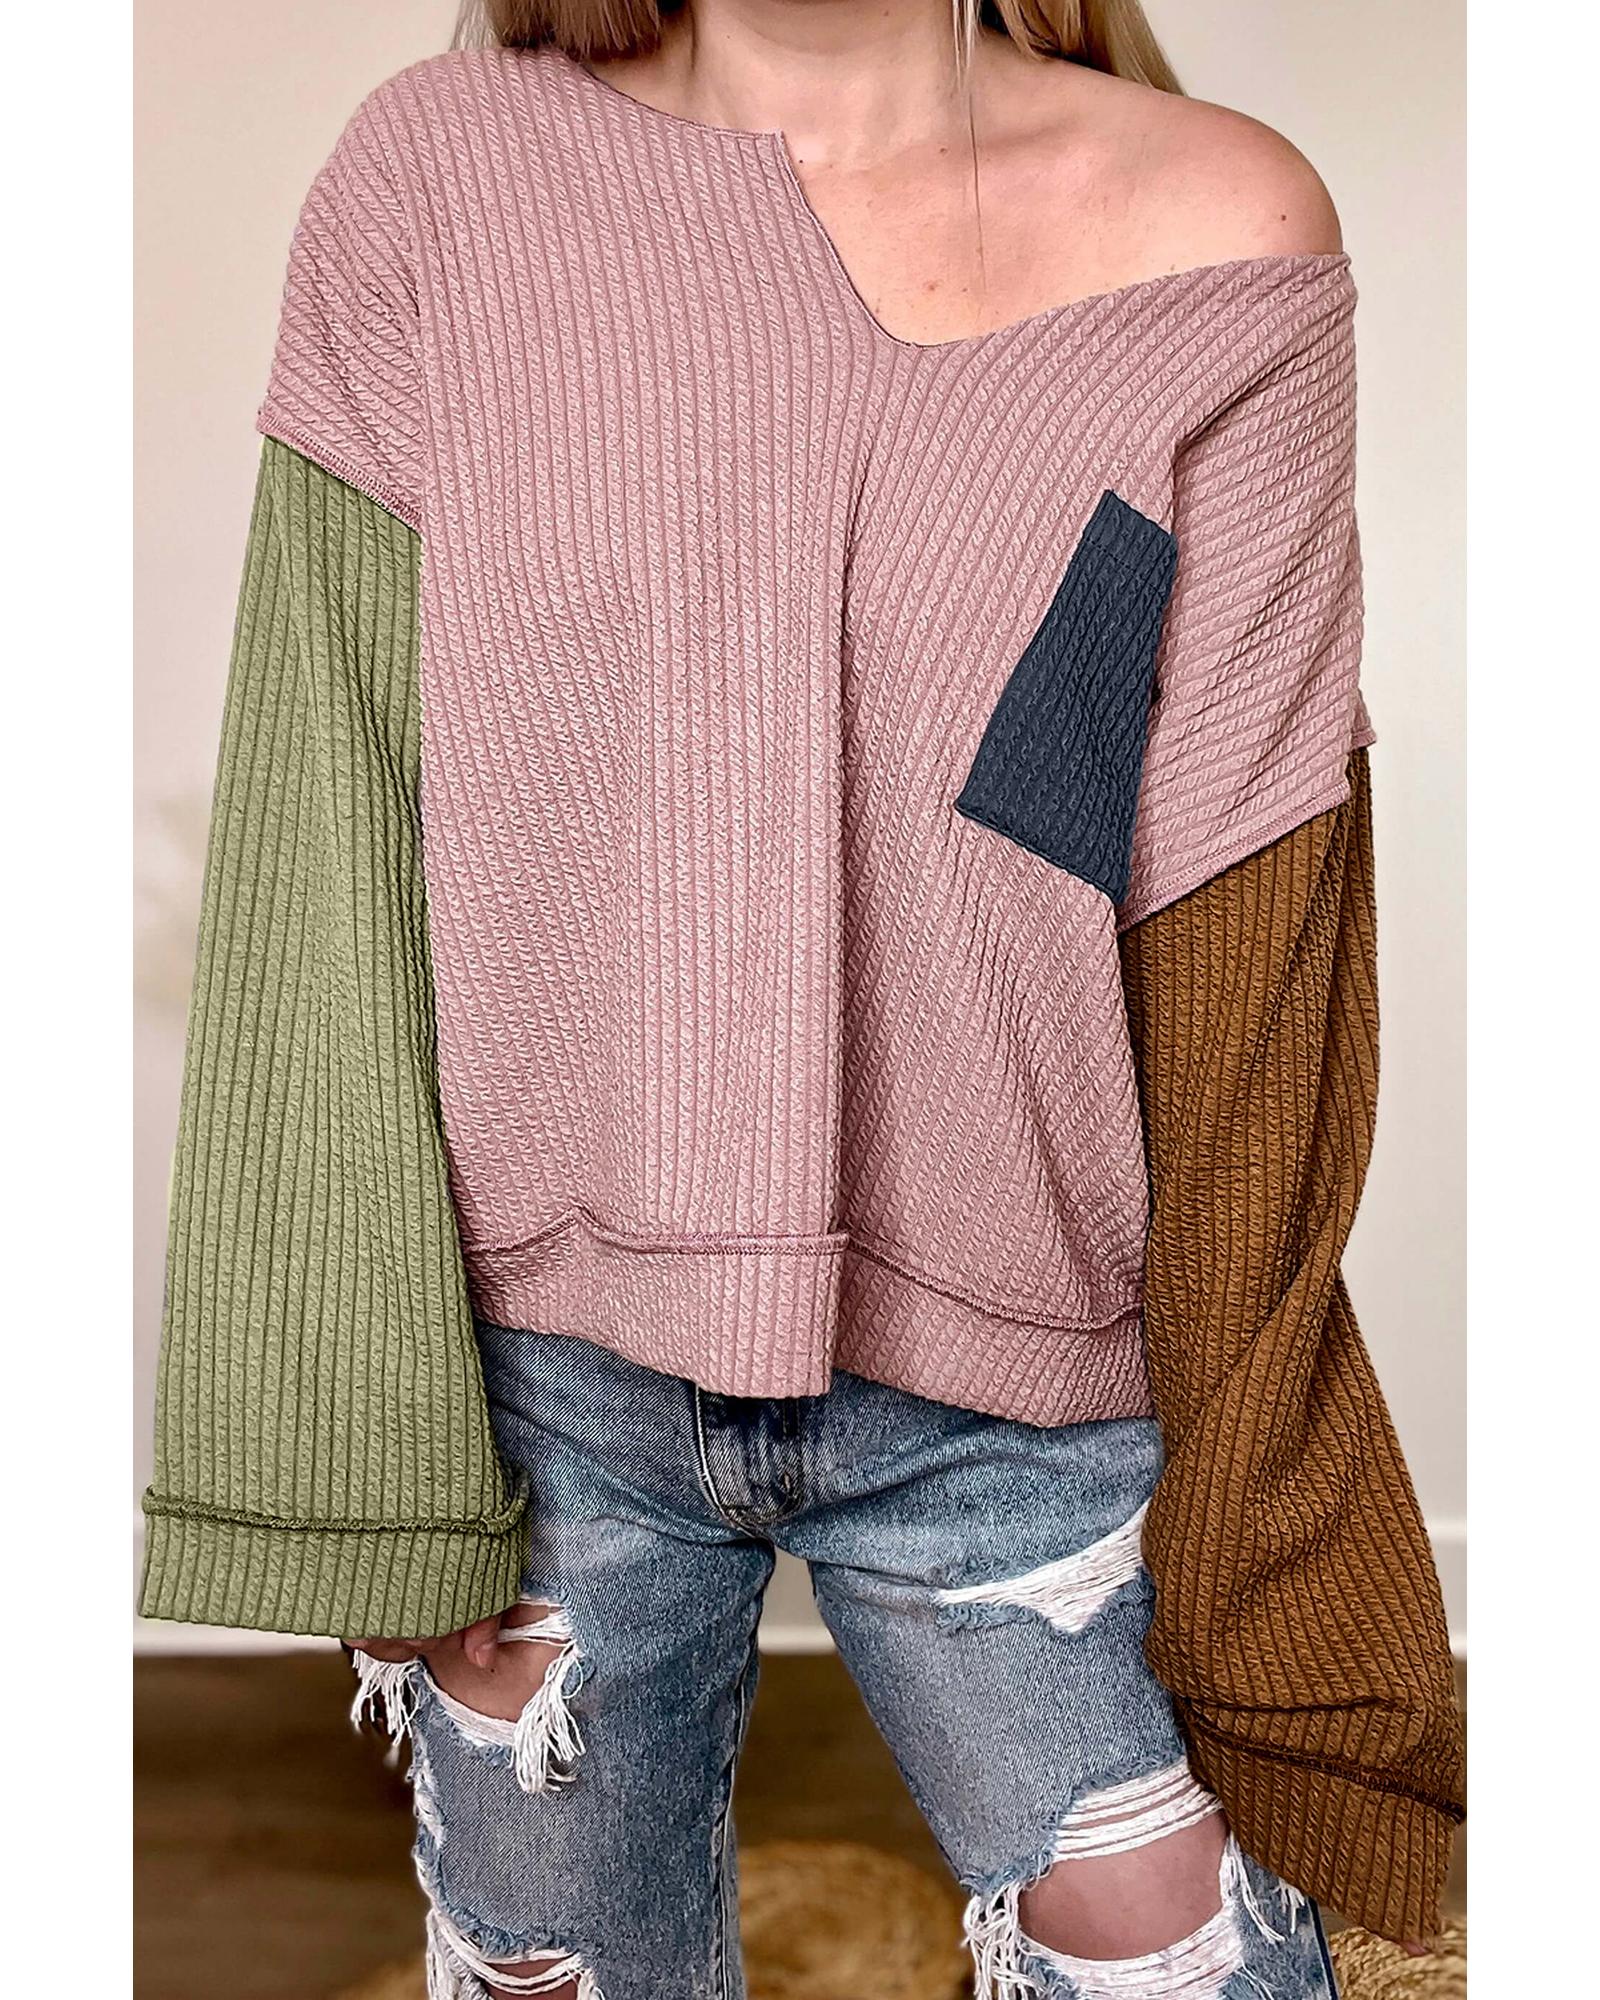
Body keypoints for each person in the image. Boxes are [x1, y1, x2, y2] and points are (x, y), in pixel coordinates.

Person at [140, 3, 1465, 1995]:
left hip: (1019, 1375)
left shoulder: (1218, 226)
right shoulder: (439, 176)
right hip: (539, 1372)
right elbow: (327, 818)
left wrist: (1259, 1527)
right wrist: (365, 1469)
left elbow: (1240, 936)